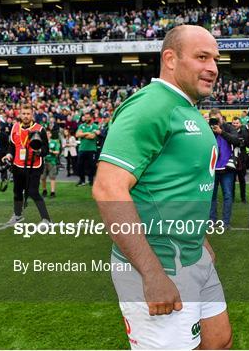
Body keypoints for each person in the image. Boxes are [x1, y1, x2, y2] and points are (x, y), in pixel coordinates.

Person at [92, 25, 232, 350]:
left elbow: (178, 182)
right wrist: (152, 274)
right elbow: (108, 188)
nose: (212, 67)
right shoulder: (149, 106)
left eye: (215, 58)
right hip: (160, 264)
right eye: (201, 57)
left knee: (219, 341)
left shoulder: (185, 107)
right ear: (170, 59)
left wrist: (200, 237)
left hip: (192, 255)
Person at [4, 103, 51, 225]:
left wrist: (39, 151)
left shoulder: (40, 129)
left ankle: (46, 219)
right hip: (17, 165)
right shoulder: (14, 128)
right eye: (23, 113)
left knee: (32, 191)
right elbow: (12, 146)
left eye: (28, 114)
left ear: (32, 115)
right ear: (20, 114)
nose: (25, 116)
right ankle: (18, 215)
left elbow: (46, 149)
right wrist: (9, 154)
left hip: (34, 166)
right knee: (17, 191)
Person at [208, 108, 239, 230]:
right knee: (212, 196)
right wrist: (212, 131)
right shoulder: (208, 129)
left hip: (227, 167)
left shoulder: (229, 127)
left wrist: (221, 132)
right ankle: (212, 221)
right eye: (213, 119)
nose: (216, 121)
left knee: (227, 195)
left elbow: (236, 141)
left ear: (222, 117)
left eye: (218, 118)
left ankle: (226, 222)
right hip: (212, 168)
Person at [75, 112, 99, 186]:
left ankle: (90, 180)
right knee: (80, 165)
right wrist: (87, 133)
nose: (86, 118)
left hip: (92, 149)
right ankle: (82, 180)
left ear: (91, 117)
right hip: (82, 149)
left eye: (87, 117)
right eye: (85, 117)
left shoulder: (95, 126)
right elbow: (77, 134)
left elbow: (92, 137)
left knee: (91, 166)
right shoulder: (82, 125)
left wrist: (83, 134)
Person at [231, 116, 248, 203]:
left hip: (241, 159)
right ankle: (232, 198)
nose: (235, 124)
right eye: (234, 123)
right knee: (232, 180)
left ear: (240, 124)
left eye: (237, 123)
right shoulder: (229, 131)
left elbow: (246, 143)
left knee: (242, 180)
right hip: (232, 159)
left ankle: (243, 198)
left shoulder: (244, 132)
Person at [41, 130, 60, 198]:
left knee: (52, 177)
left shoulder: (54, 142)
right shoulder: (42, 143)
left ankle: (52, 192)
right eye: (46, 133)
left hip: (52, 162)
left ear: (50, 135)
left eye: (48, 133)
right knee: (43, 177)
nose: (47, 134)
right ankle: (44, 190)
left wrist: (51, 151)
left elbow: (57, 152)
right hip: (43, 161)